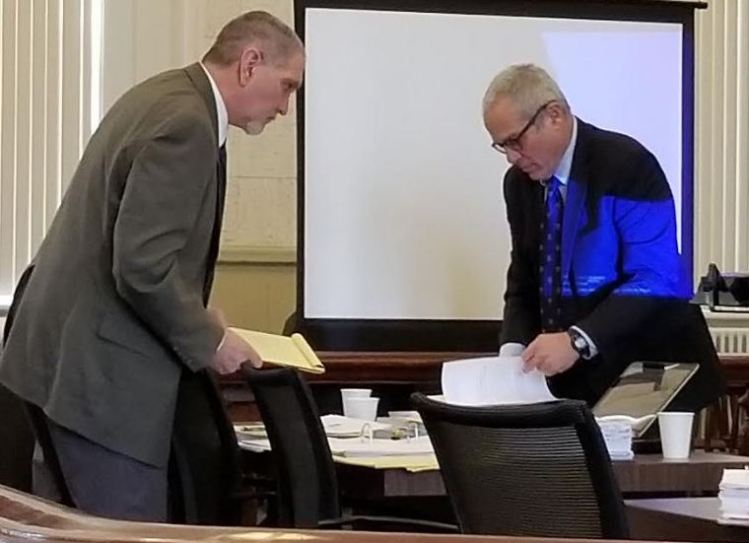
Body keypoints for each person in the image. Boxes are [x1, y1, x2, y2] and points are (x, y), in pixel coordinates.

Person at [0, 11, 304, 522]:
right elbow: (142, 267)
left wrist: (201, 316)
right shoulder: (187, 124)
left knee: (61, 532)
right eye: (286, 85)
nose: (285, 107)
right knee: (128, 534)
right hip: (103, 387)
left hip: (60, 371)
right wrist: (211, 339)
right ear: (251, 63)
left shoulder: (161, 96)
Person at [483, 64, 723, 410]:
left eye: (515, 142)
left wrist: (577, 341)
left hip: (652, 377)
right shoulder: (518, 185)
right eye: (500, 146)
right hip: (573, 388)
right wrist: (512, 355)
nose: (510, 157)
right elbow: (524, 280)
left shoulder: (627, 165)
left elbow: (656, 277)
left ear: (554, 115)